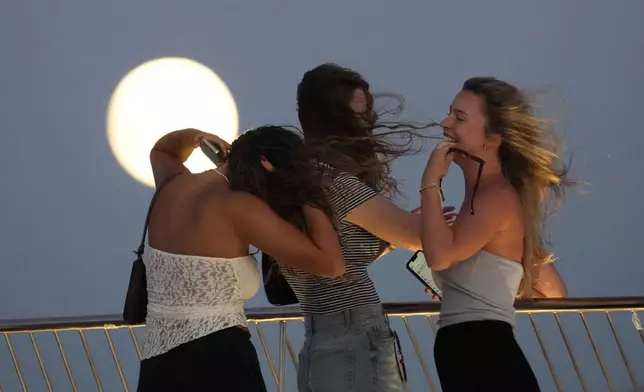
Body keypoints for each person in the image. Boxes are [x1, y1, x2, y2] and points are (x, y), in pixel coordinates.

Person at [279, 63, 455, 392]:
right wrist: (432, 182)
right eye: (357, 115)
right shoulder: (332, 180)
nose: (366, 124)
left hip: (319, 338)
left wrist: (387, 240)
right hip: (355, 334)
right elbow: (418, 236)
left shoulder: (296, 178)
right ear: (332, 117)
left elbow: (335, 258)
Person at [137, 126, 345, 392]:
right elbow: (332, 264)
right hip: (220, 362)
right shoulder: (238, 207)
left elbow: (162, 150)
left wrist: (197, 137)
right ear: (266, 165)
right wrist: (306, 191)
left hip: (157, 366)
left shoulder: (173, 186)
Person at [420, 76, 570, 391]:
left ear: (491, 139)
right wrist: (482, 289)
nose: (444, 122)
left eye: (459, 117)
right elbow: (554, 290)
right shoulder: (492, 196)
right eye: (450, 113)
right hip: (479, 357)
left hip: (483, 360)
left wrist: (431, 181)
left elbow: (439, 256)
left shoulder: (495, 196)